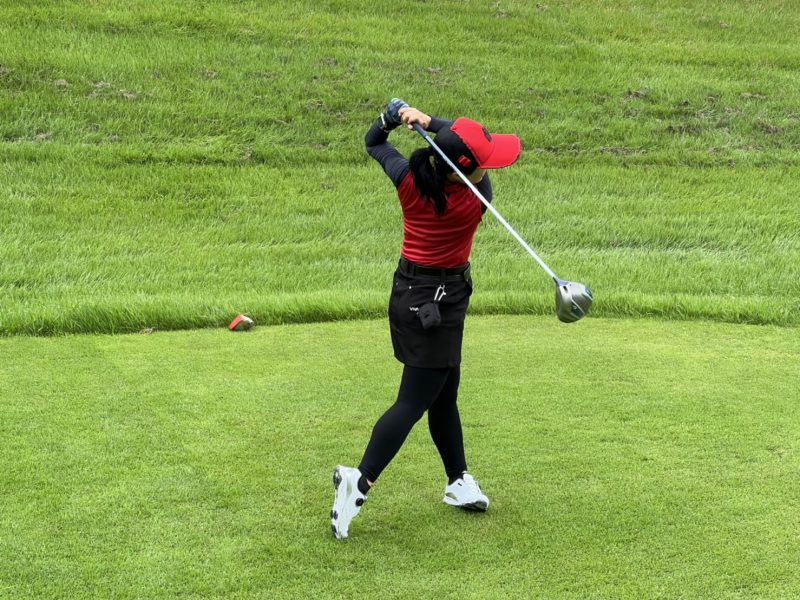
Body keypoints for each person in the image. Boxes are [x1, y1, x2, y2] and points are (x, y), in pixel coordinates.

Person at [330, 99, 521, 539]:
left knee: (445, 390)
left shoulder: (409, 181)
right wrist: (431, 121)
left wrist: (392, 118)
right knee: (413, 402)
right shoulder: (477, 199)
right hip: (438, 303)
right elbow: (463, 149)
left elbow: (374, 142)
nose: (490, 167)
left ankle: (457, 480)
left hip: (410, 295)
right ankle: (359, 481)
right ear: (463, 172)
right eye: (484, 162)